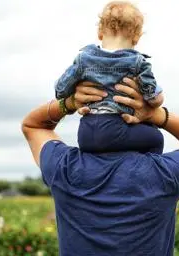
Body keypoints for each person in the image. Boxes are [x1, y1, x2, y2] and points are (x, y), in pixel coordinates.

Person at [21, 77, 179, 255]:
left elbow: (33, 126)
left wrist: (69, 103)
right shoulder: (164, 174)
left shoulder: (65, 168)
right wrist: (156, 115)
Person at [54, 1, 164, 154]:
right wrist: (157, 98)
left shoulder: (83, 59)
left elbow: (60, 90)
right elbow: (154, 99)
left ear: (100, 33)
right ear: (136, 38)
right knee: (156, 138)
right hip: (116, 129)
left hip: (86, 133)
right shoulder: (138, 62)